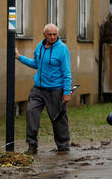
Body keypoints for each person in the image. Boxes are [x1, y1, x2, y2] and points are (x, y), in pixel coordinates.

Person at [16, 23, 72, 154]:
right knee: (31, 113)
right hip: (38, 89)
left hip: (55, 90)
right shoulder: (40, 47)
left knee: (58, 120)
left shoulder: (62, 49)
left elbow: (67, 72)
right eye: (50, 34)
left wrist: (66, 92)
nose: (53, 37)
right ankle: (32, 145)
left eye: (55, 34)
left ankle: (63, 147)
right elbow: (36, 64)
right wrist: (19, 57)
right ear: (44, 35)